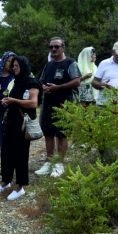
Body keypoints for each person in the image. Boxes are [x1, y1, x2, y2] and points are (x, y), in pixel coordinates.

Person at [0, 56, 41, 200]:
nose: (14, 68)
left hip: (23, 123)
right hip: (11, 121)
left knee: (21, 155)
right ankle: (5, 181)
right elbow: (14, 100)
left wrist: (13, 100)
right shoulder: (15, 82)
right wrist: (7, 102)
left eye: (17, 66)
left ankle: (20, 186)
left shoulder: (32, 83)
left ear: (24, 66)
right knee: (6, 152)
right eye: (13, 66)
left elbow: (33, 103)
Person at [36, 38, 81, 177]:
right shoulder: (48, 65)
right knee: (48, 132)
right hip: (48, 102)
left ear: (63, 48)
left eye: (56, 46)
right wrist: (43, 87)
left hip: (64, 104)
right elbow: (42, 80)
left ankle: (59, 163)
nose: (53, 49)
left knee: (61, 133)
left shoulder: (70, 63)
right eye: (51, 47)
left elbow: (76, 81)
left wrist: (58, 88)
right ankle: (49, 162)